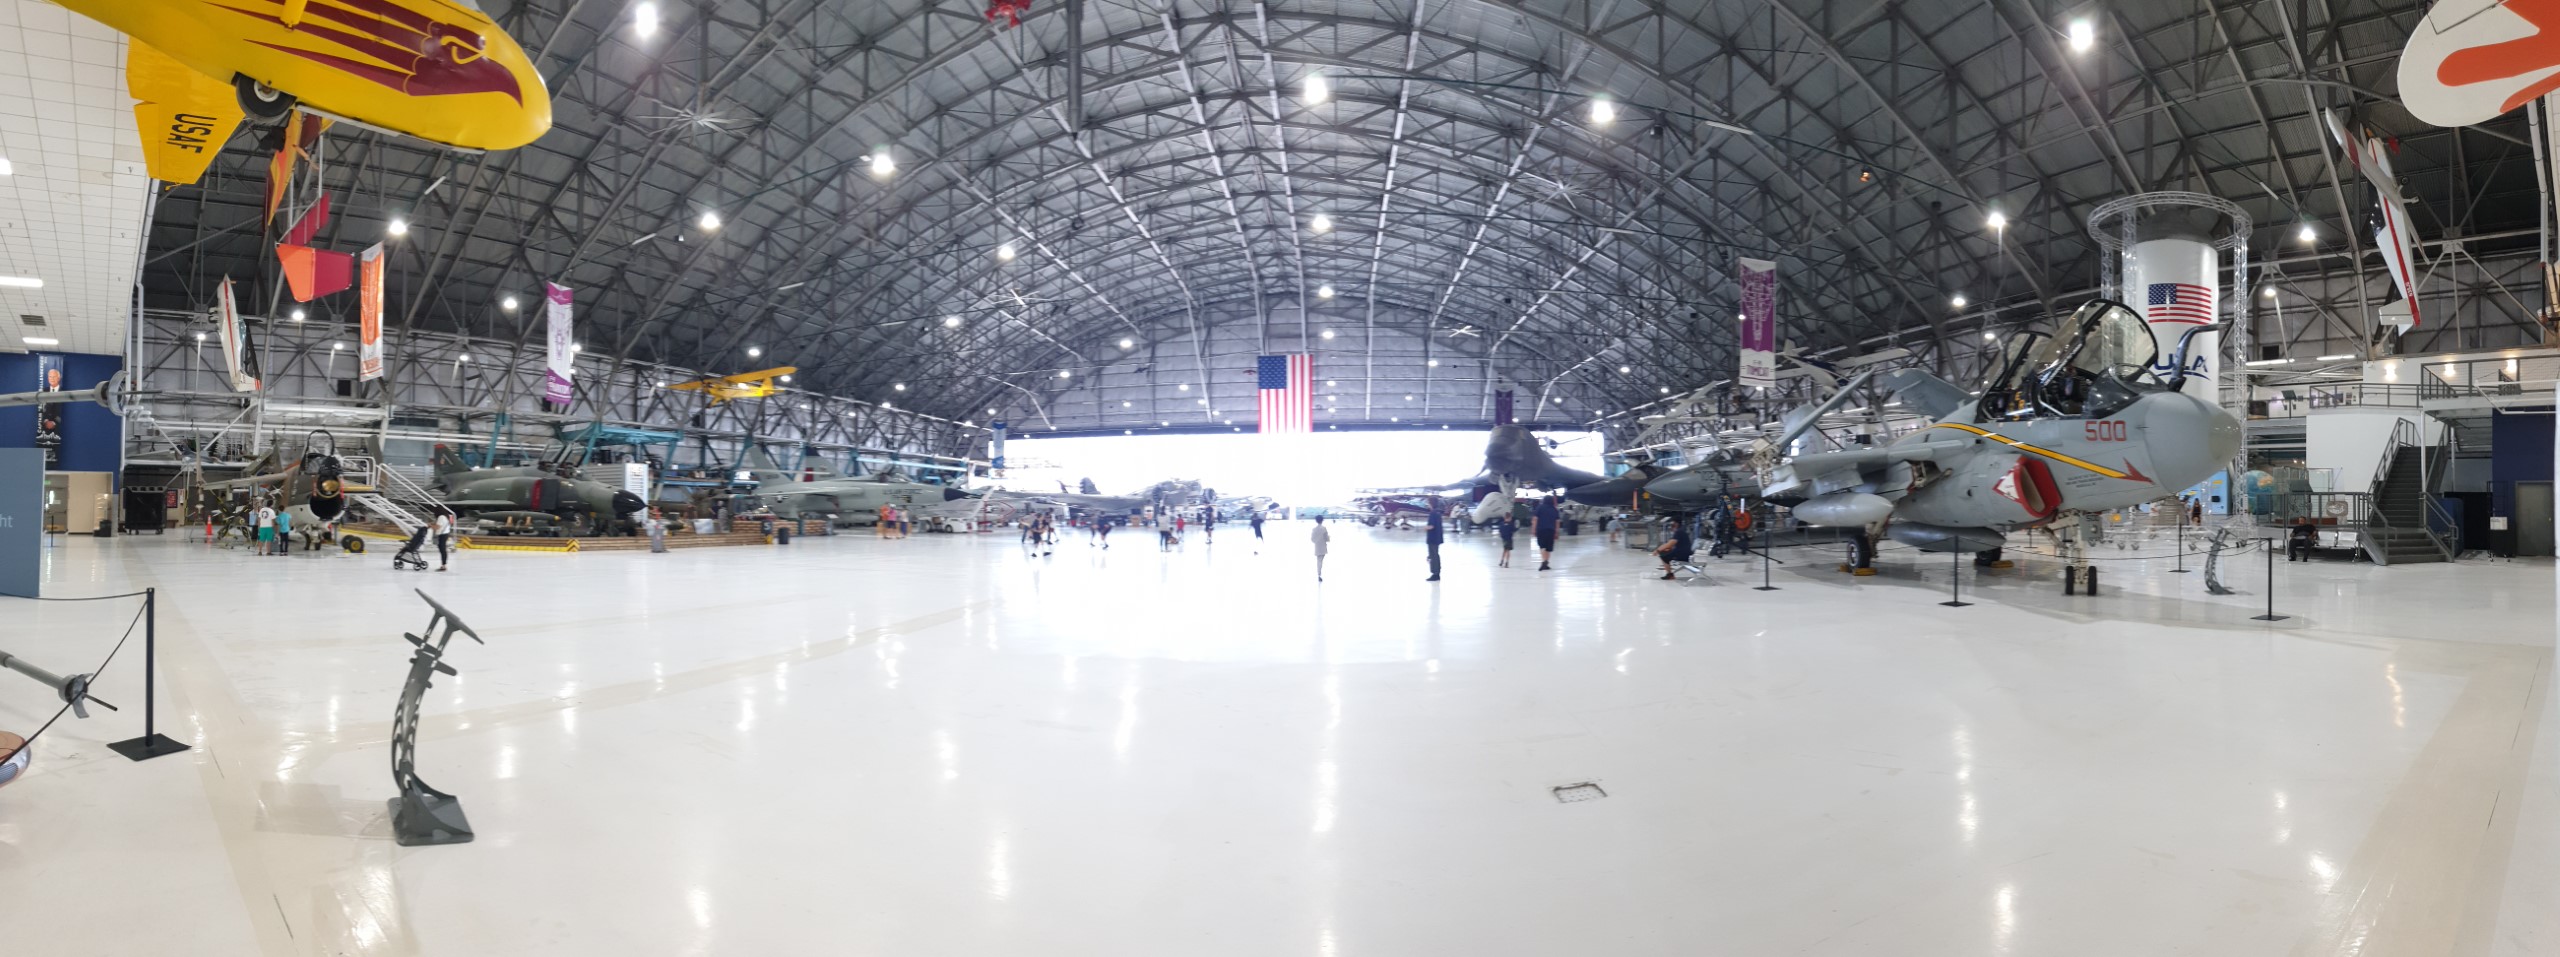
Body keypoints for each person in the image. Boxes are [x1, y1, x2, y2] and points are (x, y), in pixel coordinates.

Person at [1532, 494, 1561, 571]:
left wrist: (1533, 529)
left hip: (1541, 530)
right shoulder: (1554, 509)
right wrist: (1556, 532)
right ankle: (1546, 562)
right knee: (1548, 548)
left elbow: (1535, 519)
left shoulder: (1539, 508)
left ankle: (1544, 562)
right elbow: (1557, 522)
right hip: (1551, 530)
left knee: (1542, 547)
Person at [1424, 505, 1444, 581]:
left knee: (1433, 556)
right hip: (1437, 537)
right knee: (1435, 555)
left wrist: (1426, 527)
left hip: (1432, 538)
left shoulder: (1433, 513)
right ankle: (1437, 572)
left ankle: (1435, 573)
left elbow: (1431, 526)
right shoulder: (1438, 513)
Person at [1310, 515, 1330, 581]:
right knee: (1321, 561)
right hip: (1323, 547)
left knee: (1318, 561)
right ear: (1322, 520)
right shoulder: (1324, 528)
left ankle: (1319, 574)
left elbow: (1312, 539)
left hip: (1317, 547)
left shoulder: (1314, 529)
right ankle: (1319, 573)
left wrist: (1317, 541)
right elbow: (1327, 539)